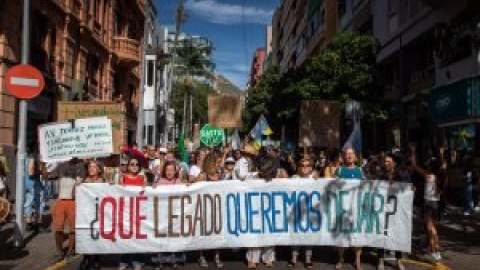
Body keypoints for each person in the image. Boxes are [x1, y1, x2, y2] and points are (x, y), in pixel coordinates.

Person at [246, 154, 286, 269]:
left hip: (271, 210)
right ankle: (253, 259)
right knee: (254, 234)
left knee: (270, 234)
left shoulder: (278, 175)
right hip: (255, 209)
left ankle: (268, 258)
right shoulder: (252, 177)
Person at [410, 147, 445, 261]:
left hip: (428, 204)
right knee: (432, 228)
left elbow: (414, 165)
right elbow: (443, 165)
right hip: (437, 204)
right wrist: (441, 154)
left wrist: (413, 152)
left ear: (430, 167)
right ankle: (435, 250)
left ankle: (435, 252)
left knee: (430, 229)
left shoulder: (427, 175)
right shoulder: (441, 176)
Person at [153, 161, 187, 270]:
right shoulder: (160, 181)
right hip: (162, 214)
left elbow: (186, 191)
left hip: (175, 215)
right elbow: (154, 192)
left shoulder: (178, 181)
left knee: (172, 239)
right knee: (161, 238)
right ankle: (160, 261)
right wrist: (153, 186)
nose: (169, 172)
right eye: (167, 170)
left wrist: (187, 185)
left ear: (175, 171)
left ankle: (173, 260)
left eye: (172, 170)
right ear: (164, 171)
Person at [334, 148, 364, 270]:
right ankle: (341, 259)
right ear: (344, 157)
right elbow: (330, 185)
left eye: (352, 153)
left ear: (355, 157)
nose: (349, 156)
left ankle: (357, 261)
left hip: (357, 207)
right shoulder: (339, 170)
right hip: (342, 207)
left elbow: (367, 187)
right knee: (342, 234)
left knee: (358, 233)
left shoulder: (360, 171)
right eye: (347, 154)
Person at [51, 157, 85, 263]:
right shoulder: (61, 165)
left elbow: (81, 184)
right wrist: (43, 163)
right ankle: (59, 251)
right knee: (58, 229)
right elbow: (47, 176)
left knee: (73, 229)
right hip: (60, 200)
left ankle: (70, 251)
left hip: (73, 201)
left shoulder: (81, 167)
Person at [377, 153, 407, 270]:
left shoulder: (401, 174)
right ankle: (380, 260)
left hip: (397, 209)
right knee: (382, 233)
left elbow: (407, 186)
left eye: (388, 161)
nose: (386, 163)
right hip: (383, 209)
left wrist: (410, 188)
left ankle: (399, 260)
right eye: (385, 161)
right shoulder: (381, 175)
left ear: (394, 163)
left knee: (397, 233)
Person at [195, 152, 224, 268]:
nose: (219, 165)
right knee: (202, 232)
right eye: (217, 163)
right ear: (210, 163)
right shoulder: (203, 175)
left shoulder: (221, 175)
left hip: (218, 207)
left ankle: (217, 256)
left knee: (218, 232)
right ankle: (201, 256)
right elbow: (193, 188)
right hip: (204, 208)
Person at [288, 158, 317, 269]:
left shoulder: (314, 178)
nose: (304, 167)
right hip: (296, 211)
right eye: (302, 165)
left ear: (311, 168)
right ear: (298, 167)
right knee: (296, 234)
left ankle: (308, 258)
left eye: (307, 165)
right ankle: (294, 257)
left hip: (310, 211)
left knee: (309, 235)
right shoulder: (294, 178)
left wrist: (317, 180)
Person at [119, 157, 147, 270]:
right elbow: (117, 193)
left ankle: (137, 260)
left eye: (136, 164)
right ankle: (124, 260)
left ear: (139, 166)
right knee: (125, 236)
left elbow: (146, 193)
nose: (134, 166)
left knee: (137, 237)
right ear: (128, 166)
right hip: (126, 211)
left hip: (139, 211)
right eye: (132, 164)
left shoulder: (142, 178)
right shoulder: (123, 178)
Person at [78, 160, 105, 270]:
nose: (91, 169)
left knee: (97, 236)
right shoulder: (83, 181)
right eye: (90, 167)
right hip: (85, 213)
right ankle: (86, 258)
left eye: (94, 167)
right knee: (86, 236)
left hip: (99, 213)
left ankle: (96, 259)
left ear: (99, 169)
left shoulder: (103, 181)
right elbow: (75, 196)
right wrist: (77, 186)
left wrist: (111, 185)